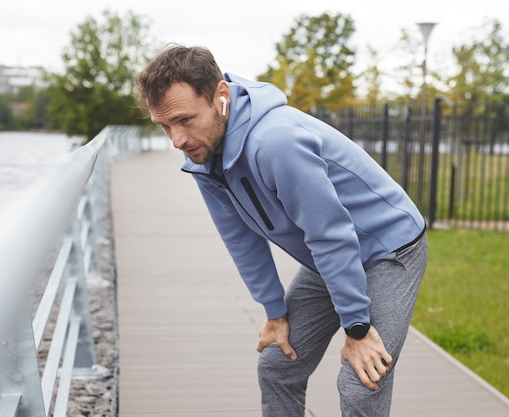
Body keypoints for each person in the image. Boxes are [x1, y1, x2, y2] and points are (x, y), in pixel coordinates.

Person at [136, 44, 428, 417]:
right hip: (327, 255)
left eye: (185, 120)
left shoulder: (276, 141)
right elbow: (239, 237)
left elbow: (331, 234)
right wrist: (274, 312)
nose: (177, 140)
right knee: (278, 365)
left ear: (221, 97)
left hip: (388, 248)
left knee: (361, 381)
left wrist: (356, 327)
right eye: (165, 126)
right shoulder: (204, 153)